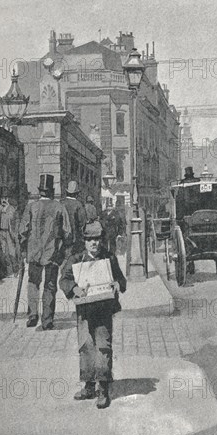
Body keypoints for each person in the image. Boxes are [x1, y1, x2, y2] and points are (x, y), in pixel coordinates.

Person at [59, 220, 126, 409]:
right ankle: (89, 386)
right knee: (86, 346)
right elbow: (63, 280)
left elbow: (121, 279)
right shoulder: (76, 259)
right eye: (90, 240)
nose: (94, 243)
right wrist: (74, 288)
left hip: (104, 309)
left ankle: (103, 389)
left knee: (103, 346)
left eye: (97, 239)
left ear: (101, 240)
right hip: (85, 310)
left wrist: (117, 285)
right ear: (84, 241)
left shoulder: (109, 258)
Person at [18, 174, 71, 330]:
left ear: (40, 191)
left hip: (33, 253)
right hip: (52, 253)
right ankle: (47, 320)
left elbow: (22, 231)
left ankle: (32, 316)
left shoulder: (31, 207)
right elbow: (67, 232)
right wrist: (63, 249)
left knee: (33, 283)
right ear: (52, 191)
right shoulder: (59, 207)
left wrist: (23, 248)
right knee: (49, 286)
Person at [0, 187, 19, 279]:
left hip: (9, 233)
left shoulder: (11, 208)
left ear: (8, 199)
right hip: (1, 232)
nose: (3, 200)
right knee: (3, 253)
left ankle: (16, 270)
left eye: (5, 198)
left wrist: (7, 208)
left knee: (12, 253)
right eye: (2, 198)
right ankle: (4, 273)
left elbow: (12, 219)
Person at [61, 181, 86, 257]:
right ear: (77, 194)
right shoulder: (78, 204)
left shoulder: (61, 203)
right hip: (74, 238)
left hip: (61, 238)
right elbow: (82, 222)